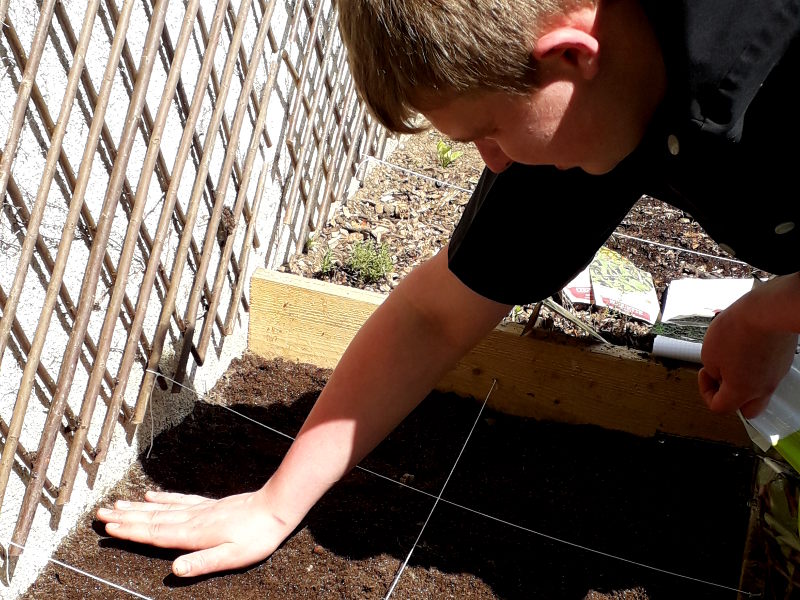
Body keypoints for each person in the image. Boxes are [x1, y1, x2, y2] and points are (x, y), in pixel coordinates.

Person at [97, 0, 800, 578]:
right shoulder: (605, 90)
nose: (491, 160)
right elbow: (436, 314)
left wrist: (768, 316)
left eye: (488, 130)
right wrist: (274, 505)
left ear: (571, 56)